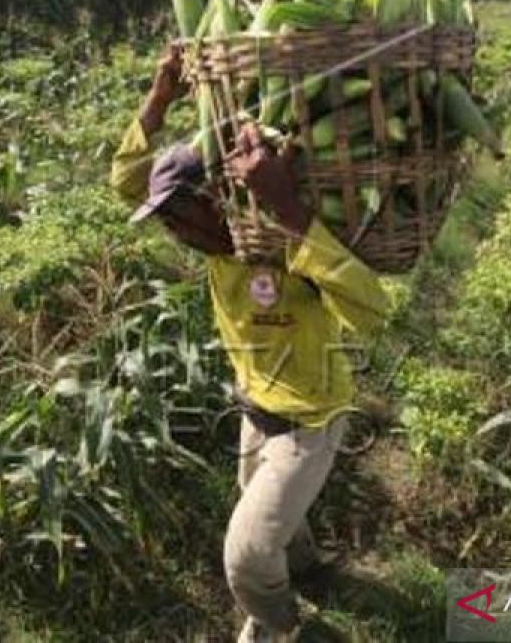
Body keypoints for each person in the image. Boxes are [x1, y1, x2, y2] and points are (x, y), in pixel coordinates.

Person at [109, 45, 391, 642]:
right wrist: (160, 96)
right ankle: (308, 568)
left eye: (180, 214)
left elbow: (371, 310)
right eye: (166, 222)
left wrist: (288, 207)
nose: (174, 231)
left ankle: (285, 627)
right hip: (254, 406)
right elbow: (126, 181)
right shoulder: (211, 242)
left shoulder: (282, 246)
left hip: (310, 419)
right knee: (262, 509)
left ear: (219, 199)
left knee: (245, 555)